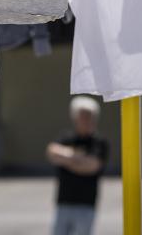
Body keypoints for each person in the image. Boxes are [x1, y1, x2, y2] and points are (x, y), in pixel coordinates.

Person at [46, 96, 108, 235]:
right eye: (82, 116)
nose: (85, 121)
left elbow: (93, 166)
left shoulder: (98, 142)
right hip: (63, 203)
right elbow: (52, 152)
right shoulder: (66, 137)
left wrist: (67, 160)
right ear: (75, 118)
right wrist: (78, 158)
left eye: (89, 117)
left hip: (86, 204)